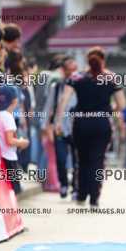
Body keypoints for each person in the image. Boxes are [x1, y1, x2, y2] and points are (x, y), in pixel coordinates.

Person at [55, 46, 126, 207]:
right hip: (101, 123)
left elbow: (64, 100)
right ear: (103, 60)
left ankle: (81, 195)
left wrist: (58, 121)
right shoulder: (112, 78)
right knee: (98, 160)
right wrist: (109, 110)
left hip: (81, 123)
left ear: (87, 61)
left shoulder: (76, 77)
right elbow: (122, 104)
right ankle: (94, 198)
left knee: (82, 160)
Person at [44, 55, 79, 198]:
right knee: (61, 158)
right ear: (63, 71)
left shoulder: (81, 86)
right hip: (59, 128)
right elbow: (48, 107)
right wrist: (47, 127)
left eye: (74, 70)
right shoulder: (57, 87)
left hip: (77, 128)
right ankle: (63, 184)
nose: (72, 73)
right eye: (69, 70)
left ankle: (76, 187)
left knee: (77, 160)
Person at [0, 85, 30, 195]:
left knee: (5, 190)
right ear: (14, 100)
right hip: (9, 158)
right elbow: (10, 141)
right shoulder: (7, 117)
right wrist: (22, 142)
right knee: (13, 191)